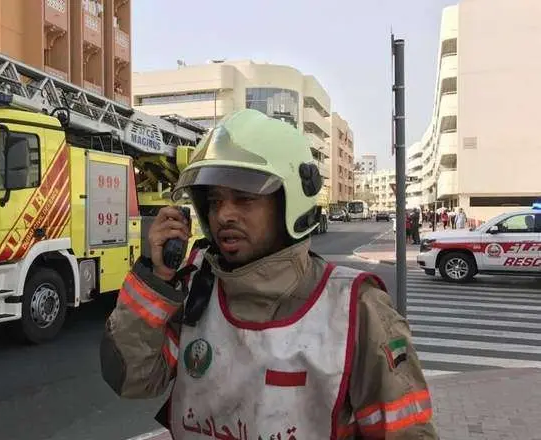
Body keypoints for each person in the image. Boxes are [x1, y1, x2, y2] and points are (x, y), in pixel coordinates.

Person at [99, 109, 437, 439]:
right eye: (215, 201)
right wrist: (157, 280)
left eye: (244, 199)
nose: (223, 215)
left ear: (288, 202)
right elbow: (134, 379)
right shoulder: (195, 285)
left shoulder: (356, 308)